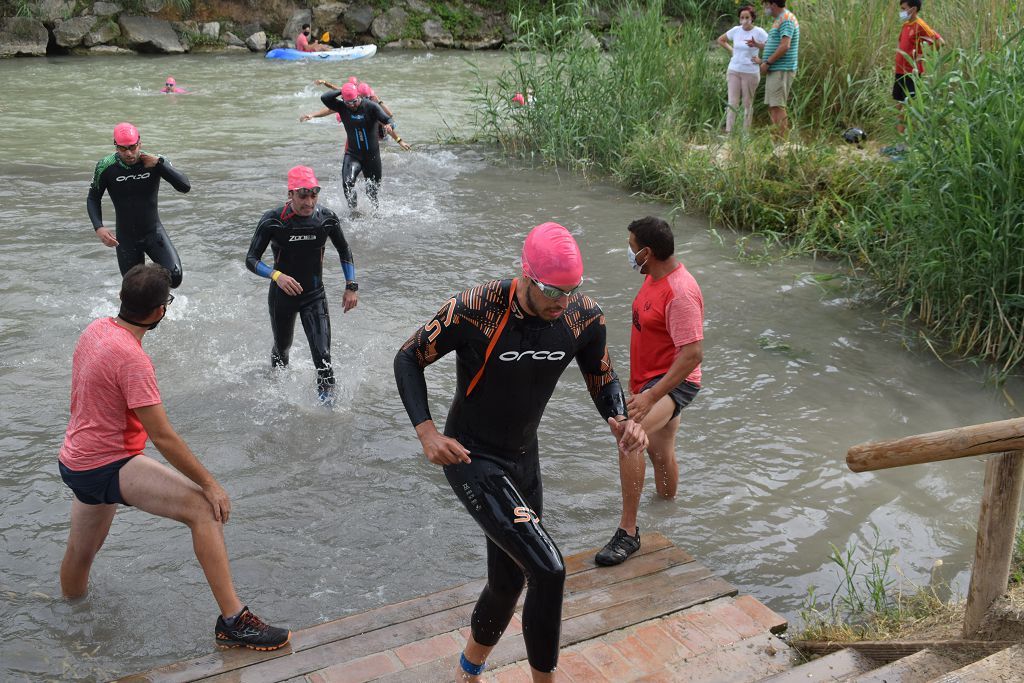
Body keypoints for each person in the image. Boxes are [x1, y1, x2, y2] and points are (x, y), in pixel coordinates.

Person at [394, 222, 648, 681]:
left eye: (571, 290)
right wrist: (427, 433)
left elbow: (602, 372)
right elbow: (408, 357)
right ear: (526, 275)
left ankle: (467, 671)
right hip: (471, 457)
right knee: (549, 570)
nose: (561, 302)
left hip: (523, 458)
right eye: (552, 290)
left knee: (509, 580)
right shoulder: (476, 308)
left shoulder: (581, 316)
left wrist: (619, 418)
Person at [58, 263, 290, 650]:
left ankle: (69, 625)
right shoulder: (133, 360)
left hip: (75, 461)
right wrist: (211, 484)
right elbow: (163, 436)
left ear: (121, 298)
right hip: (108, 464)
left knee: (81, 551)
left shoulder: (96, 329)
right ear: (160, 312)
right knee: (203, 508)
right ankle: (234, 621)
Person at [595, 217, 704, 567]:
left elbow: (692, 355)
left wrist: (651, 397)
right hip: (649, 381)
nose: (628, 251)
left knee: (629, 437)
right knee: (660, 450)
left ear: (647, 252)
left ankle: (628, 533)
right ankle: (670, 512)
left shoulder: (680, 292)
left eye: (631, 245)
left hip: (672, 382)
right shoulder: (652, 276)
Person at [245, 165, 358, 402]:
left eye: (314, 195)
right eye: (303, 195)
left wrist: (351, 286)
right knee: (282, 349)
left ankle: (328, 414)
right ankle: (277, 396)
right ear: (291, 194)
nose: (309, 202)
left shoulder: (326, 219)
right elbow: (251, 259)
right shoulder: (273, 221)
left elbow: (344, 249)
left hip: (314, 295)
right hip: (282, 296)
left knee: (324, 358)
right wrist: (277, 276)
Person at [87, 122, 191, 288]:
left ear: (139, 143)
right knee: (134, 288)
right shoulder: (106, 166)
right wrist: (99, 227)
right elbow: (93, 198)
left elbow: (185, 187)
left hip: (153, 232)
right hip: (126, 238)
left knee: (175, 276)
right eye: (122, 148)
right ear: (116, 147)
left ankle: (158, 301)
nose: (128, 153)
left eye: (132, 147)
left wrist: (160, 164)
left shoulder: (154, 161)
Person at [299, 83, 411, 212]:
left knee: (372, 193)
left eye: (354, 101)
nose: (352, 105)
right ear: (344, 100)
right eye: (349, 102)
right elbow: (325, 97)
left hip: (372, 157)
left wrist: (391, 129)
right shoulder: (342, 107)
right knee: (347, 183)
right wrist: (344, 90)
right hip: (353, 155)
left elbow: (389, 119)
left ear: (359, 96)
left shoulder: (371, 107)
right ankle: (354, 212)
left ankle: (375, 213)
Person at [749, 0, 800, 138]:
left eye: (765, 4)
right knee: (773, 105)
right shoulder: (779, 19)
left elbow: (785, 46)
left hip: (781, 69)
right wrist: (758, 45)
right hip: (776, 70)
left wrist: (767, 63)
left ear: (773, 4)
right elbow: (774, 44)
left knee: (778, 106)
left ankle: (783, 142)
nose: (765, 8)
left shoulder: (786, 19)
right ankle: (777, 139)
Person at [894, 0, 943, 134]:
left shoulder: (920, 25)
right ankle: (900, 142)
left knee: (908, 106)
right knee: (899, 105)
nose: (902, 12)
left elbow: (939, 42)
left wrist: (922, 56)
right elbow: (901, 43)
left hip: (911, 72)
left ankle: (907, 144)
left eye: (904, 8)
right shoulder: (905, 25)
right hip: (899, 70)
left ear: (913, 9)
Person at [717, 6, 768, 133]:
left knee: (747, 103)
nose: (744, 20)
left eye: (747, 18)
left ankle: (745, 135)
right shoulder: (736, 30)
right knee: (732, 102)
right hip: (734, 69)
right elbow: (721, 40)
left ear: (752, 19)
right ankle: (729, 132)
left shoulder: (759, 32)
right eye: (742, 18)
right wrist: (732, 51)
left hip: (750, 72)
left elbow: (772, 45)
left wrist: (761, 59)